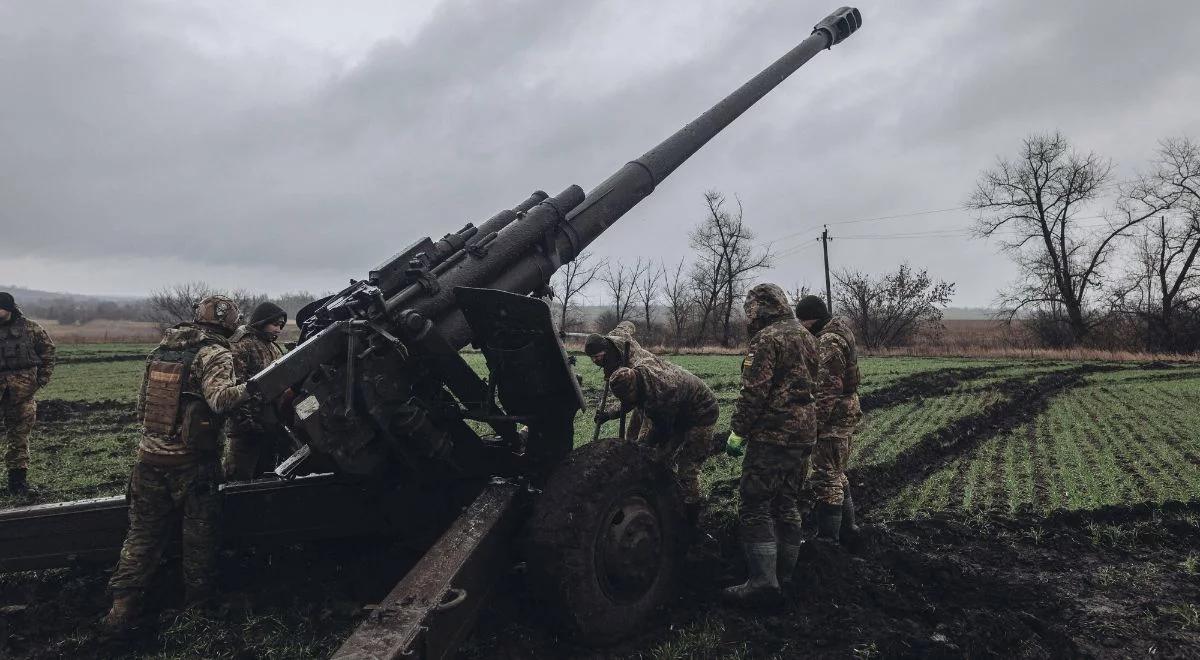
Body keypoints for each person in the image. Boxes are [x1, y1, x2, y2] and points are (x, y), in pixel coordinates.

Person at [103, 295, 250, 632]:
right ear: (227, 321)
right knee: (199, 535)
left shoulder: (161, 351)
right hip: (192, 462)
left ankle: (121, 610)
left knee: (141, 534)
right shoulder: (215, 353)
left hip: (149, 458)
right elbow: (220, 401)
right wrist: (254, 388)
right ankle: (199, 611)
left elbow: (142, 405)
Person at [723, 283, 819, 605]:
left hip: (773, 435)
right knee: (788, 502)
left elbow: (754, 391)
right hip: (805, 433)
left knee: (755, 502)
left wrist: (738, 431)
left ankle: (763, 581)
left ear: (759, 309)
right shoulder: (807, 336)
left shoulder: (766, 339)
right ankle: (786, 575)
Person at [605, 362, 719, 516]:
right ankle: (669, 496)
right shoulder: (639, 377)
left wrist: (645, 445)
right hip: (680, 411)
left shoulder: (662, 393)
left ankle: (692, 512)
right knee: (661, 458)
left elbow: (663, 430)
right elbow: (629, 401)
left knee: (687, 466)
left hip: (702, 413)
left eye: (628, 397)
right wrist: (609, 414)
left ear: (634, 388)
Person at [795, 295, 862, 542]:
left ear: (811, 320)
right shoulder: (839, 330)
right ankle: (848, 530)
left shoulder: (829, 341)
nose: (801, 327)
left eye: (802, 321)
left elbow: (827, 389)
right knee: (836, 471)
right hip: (844, 409)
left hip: (835, 414)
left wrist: (814, 425)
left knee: (825, 476)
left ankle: (828, 539)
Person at [223, 301, 288, 480]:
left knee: (265, 475)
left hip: (268, 423)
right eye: (275, 324)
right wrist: (246, 424)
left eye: (281, 326)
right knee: (240, 477)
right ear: (262, 322)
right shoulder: (242, 345)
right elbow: (235, 388)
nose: (278, 329)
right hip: (246, 427)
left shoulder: (272, 346)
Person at [0, 292, 56, 495]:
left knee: (18, 439)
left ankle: (17, 484)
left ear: (9, 309)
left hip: (21, 395)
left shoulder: (30, 328)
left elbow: (48, 351)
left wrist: (41, 380)